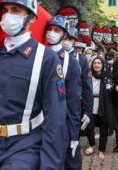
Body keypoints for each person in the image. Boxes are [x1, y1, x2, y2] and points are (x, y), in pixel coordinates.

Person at [0, 0, 66, 170]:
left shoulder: (46, 58)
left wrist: (50, 166)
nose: (8, 15)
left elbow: (55, 119)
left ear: (32, 17)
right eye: (5, 10)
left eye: (16, 10)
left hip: (26, 147)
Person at [45, 16, 82, 170]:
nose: (51, 32)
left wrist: (74, 135)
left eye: (57, 30)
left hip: (61, 123)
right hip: (38, 121)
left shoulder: (70, 62)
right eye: (49, 29)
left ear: (64, 35)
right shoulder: (38, 54)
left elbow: (74, 101)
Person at [62, 26, 93, 169]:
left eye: (70, 39)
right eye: (65, 38)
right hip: (52, 108)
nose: (67, 41)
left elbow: (87, 87)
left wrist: (88, 111)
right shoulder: (50, 55)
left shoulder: (81, 60)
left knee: (72, 145)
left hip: (73, 109)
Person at [85, 57, 116, 160]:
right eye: (95, 63)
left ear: (102, 65)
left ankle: (101, 150)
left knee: (103, 129)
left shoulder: (108, 77)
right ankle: (92, 145)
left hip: (104, 105)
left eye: (99, 63)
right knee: (89, 127)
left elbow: (111, 90)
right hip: (90, 104)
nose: (96, 65)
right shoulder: (88, 76)